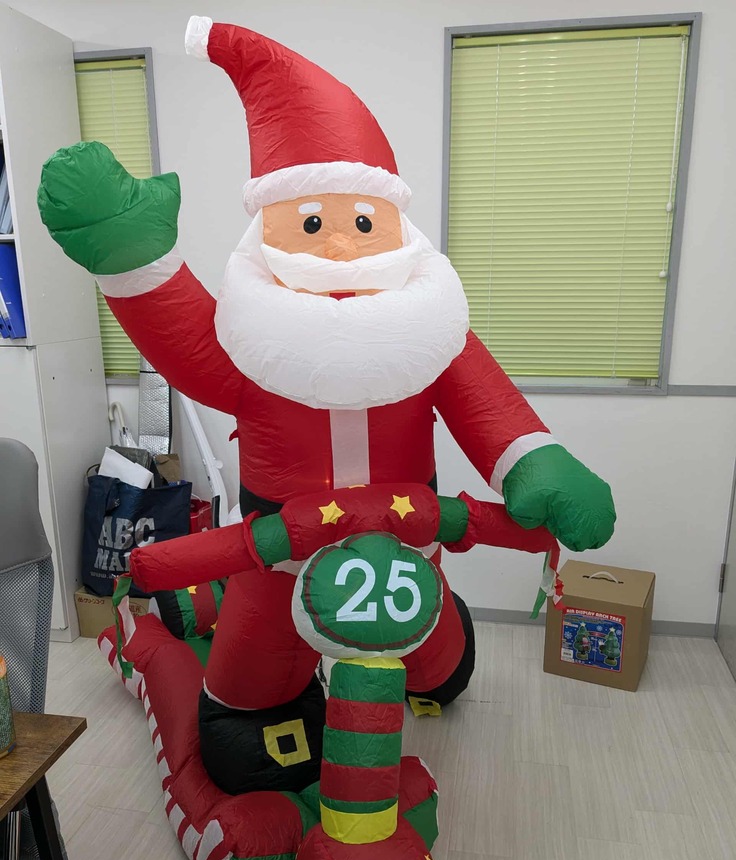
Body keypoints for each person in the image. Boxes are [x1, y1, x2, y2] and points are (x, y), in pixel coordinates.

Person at [38, 17, 615, 795]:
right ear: (271, 230)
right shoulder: (256, 338)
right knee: (251, 705)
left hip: (408, 543)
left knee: (437, 662)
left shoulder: (428, 331)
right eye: (312, 222)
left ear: (396, 228)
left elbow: (487, 404)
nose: (341, 243)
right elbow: (186, 343)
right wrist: (132, 254)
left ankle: (442, 656)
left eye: (363, 222)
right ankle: (265, 705)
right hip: (278, 553)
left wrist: (538, 463)